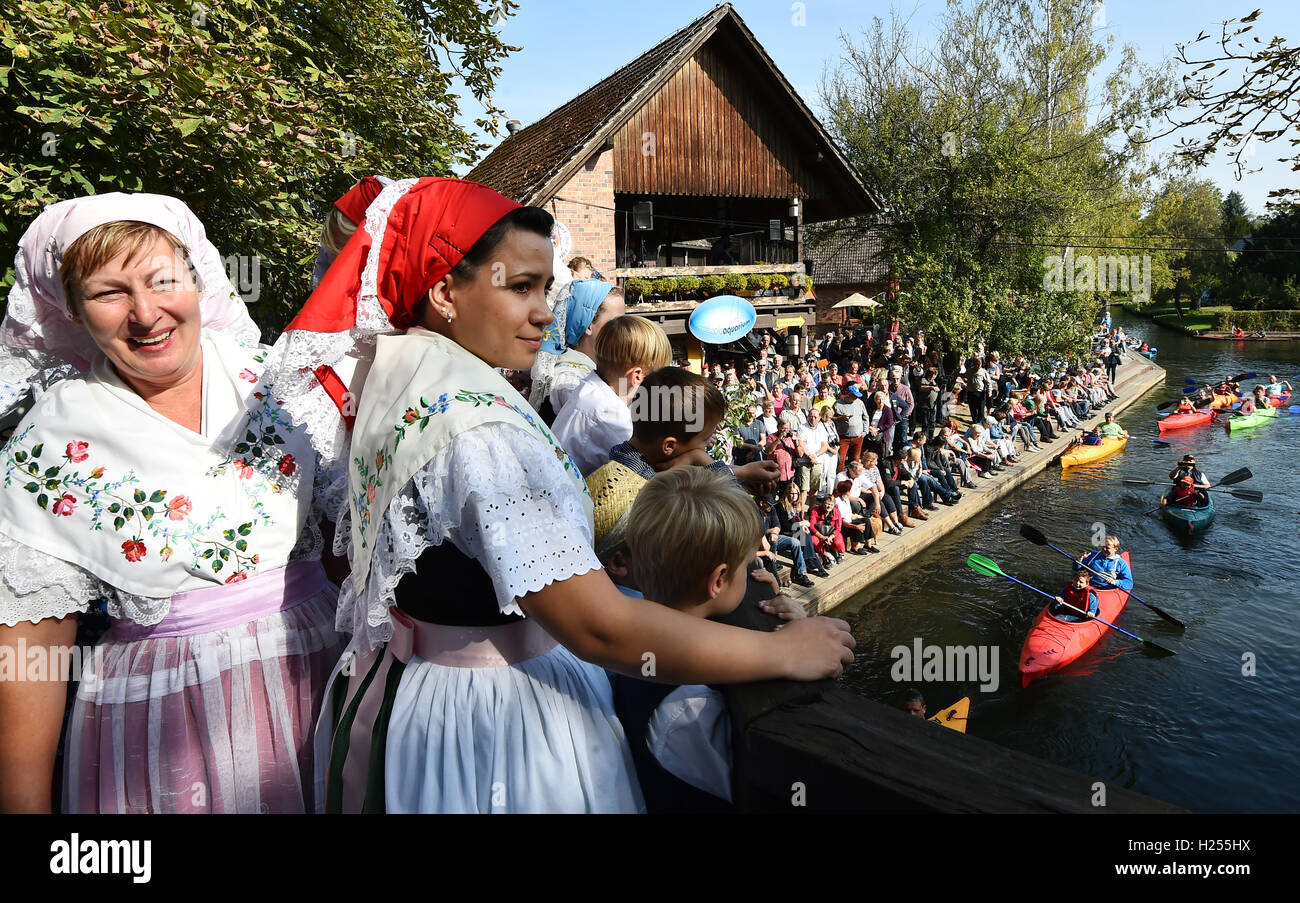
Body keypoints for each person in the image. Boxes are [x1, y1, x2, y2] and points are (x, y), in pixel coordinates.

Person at [275, 179, 853, 813]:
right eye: (520, 287)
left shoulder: (401, 379)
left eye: (545, 288)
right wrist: (778, 651)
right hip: (499, 720)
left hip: (421, 696)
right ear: (444, 292)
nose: (546, 311)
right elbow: (600, 626)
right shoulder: (481, 429)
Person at [0, 193, 345, 813]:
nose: (145, 313)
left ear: (197, 278)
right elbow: (31, 652)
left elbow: (364, 543)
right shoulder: (51, 443)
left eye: (163, 280)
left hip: (322, 687)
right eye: (109, 293)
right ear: (73, 311)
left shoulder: (281, 383)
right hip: (172, 735)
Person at [612, 467, 807, 812]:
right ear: (718, 580)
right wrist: (797, 640)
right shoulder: (689, 708)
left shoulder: (625, 642)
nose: (752, 574)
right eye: (746, 566)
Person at [552, 314, 672, 476]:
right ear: (637, 376)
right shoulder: (608, 413)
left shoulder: (593, 391)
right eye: (660, 380)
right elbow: (644, 468)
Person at [530, 279, 627, 423]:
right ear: (588, 326)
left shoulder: (595, 370)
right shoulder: (570, 382)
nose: (625, 331)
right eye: (616, 323)